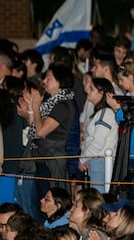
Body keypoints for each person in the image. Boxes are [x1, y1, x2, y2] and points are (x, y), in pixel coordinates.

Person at [22, 64, 78, 195]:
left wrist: (36, 107)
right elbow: (34, 126)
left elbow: (40, 132)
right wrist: (31, 109)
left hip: (53, 160)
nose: (44, 81)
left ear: (60, 81)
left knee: (50, 199)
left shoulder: (62, 105)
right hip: (44, 158)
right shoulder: (51, 102)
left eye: (48, 78)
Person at [80, 77, 120, 193]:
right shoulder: (100, 113)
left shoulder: (106, 113)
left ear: (101, 93)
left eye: (92, 89)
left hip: (100, 162)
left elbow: (97, 142)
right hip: (96, 161)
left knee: (98, 197)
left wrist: (82, 159)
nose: (87, 91)